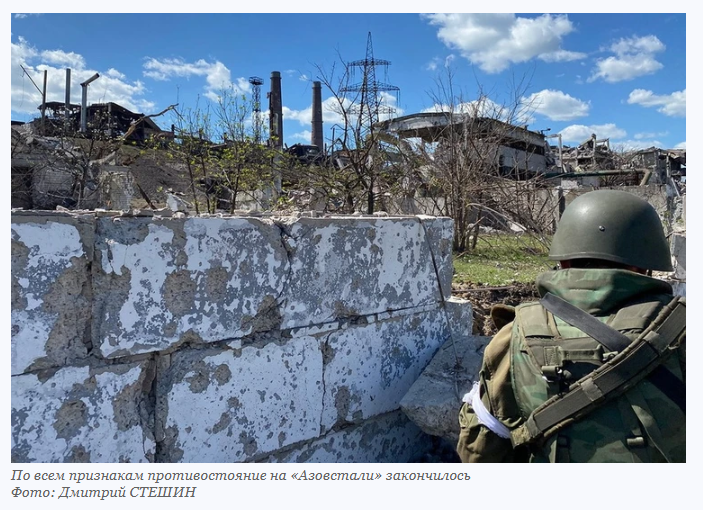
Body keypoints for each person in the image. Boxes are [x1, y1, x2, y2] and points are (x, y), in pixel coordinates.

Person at [456, 189, 686, 462]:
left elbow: (480, 450)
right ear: (645, 265)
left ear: (564, 261)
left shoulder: (513, 336)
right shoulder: (683, 327)